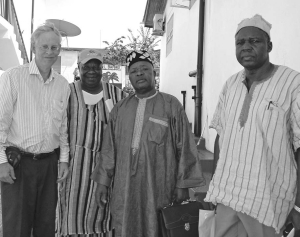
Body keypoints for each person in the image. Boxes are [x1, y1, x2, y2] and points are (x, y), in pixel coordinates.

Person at [91, 50, 205, 237]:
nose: (139, 74)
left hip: (160, 186)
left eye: (144, 69)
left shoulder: (171, 105)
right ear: (129, 77)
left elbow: (184, 146)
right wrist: (103, 183)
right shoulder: (120, 109)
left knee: (160, 226)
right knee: (126, 225)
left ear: (154, 73)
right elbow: (109, 150)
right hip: (125, 186)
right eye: (134, 71)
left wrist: (183, 184)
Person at [205, 14, 300, 237]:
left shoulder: (292, 83)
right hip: (228, 196)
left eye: (254, 41)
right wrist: (214, 186)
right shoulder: (231, 84)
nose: (246, 47)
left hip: (268, 200)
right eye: (240, 42)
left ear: (269, 45)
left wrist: (298, 205)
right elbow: (221, 135)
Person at [0, 22, 70, 237]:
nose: (50, 52)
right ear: (33, 47)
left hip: (49, 165)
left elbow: (63, 126)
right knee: (16, 226)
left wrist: (64, 159)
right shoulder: (13, 77)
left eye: (55, 47)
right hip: (18, 164)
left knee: (46, 224)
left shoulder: (63, 84)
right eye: (44, 47)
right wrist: (1, 162)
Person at [56, 49, 126, 237]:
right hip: (73, 169)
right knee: (70, 216)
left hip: (105, 171)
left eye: (96, 67)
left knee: (102, 216)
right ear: (79, 68)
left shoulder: (117, 96)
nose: (92, 71)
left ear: (102, 69)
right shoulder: (67, 92)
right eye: (87, 67)